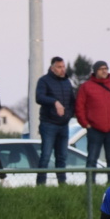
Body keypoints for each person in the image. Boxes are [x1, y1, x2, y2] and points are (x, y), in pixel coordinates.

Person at [75, 61, 110, 185]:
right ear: (95, 71)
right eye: (101, 69)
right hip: (94, 129)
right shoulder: (86, 87)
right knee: (92, 159)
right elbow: (79, 107)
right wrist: (86, 124)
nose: (104, 71)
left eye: (106, 68)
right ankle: (90, 184)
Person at [34, 56, 76, 186]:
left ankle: (62, 186)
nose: (62, 69)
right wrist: (55, 102)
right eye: (59, 67)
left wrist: (68, 115)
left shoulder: (67, 82)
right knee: (46, 156)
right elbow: (39, 97)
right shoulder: (44, 81)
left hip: (63, 124)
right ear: (52, 68)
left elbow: (72, 101)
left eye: (63, 66)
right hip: (49, 124)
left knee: (62, 157)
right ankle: (41, 186)